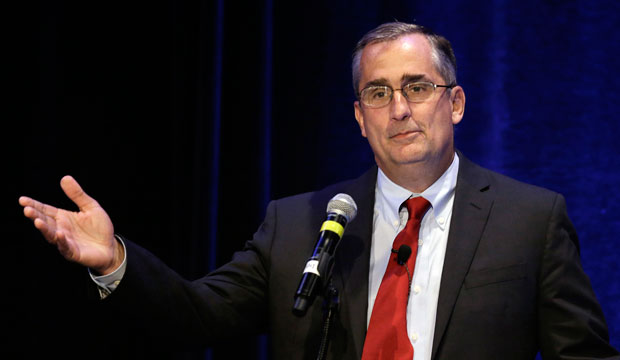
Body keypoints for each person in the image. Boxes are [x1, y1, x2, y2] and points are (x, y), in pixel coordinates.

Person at [19, 22, 619, 360]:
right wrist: (117, 261)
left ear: (456, 102)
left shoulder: (531, 220)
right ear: (360, 117)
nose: (401, 109)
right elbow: (194, 317)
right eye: (379, 94)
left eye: (418, 87)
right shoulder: (299, 225)